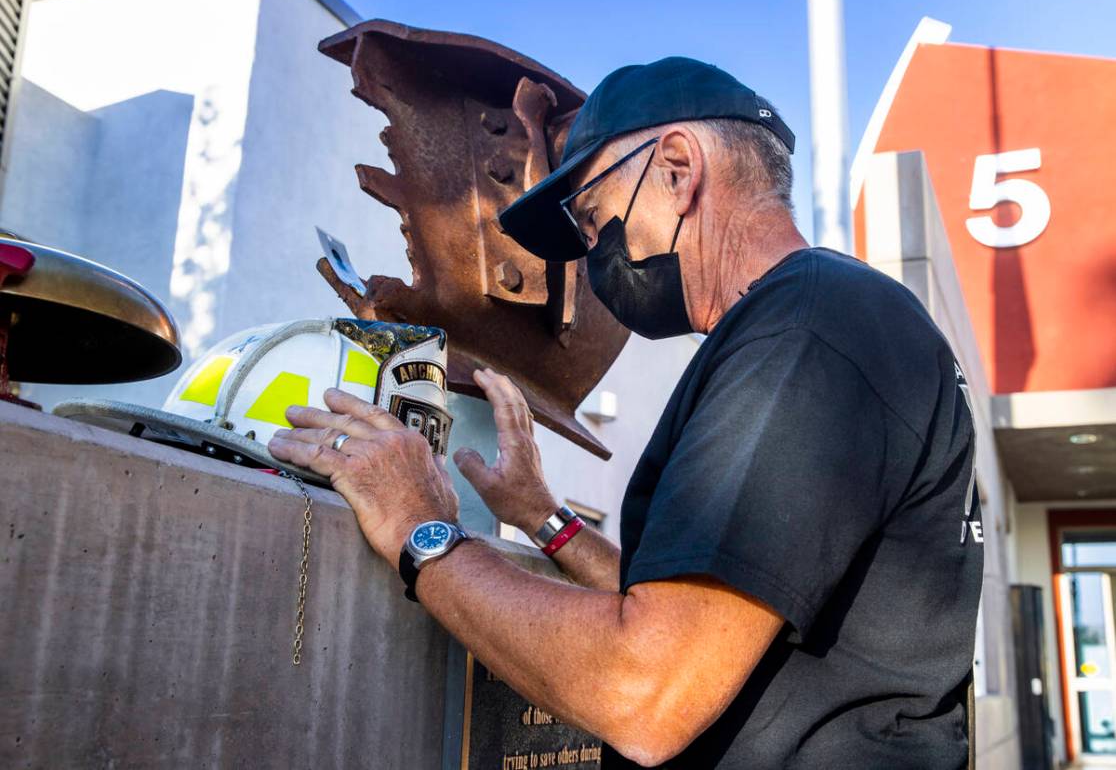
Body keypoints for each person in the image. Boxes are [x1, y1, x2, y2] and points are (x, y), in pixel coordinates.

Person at [268, 57, 984, 769]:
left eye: (591, 215)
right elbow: (695, 614)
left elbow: (645, 687)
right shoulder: (827, 321)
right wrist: (542, 515)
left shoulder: (805, 331)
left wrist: (419, 530)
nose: (591, 252)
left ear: (676, 167)